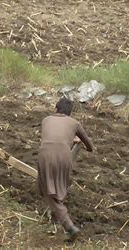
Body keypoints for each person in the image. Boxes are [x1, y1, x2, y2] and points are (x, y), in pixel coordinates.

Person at [37, 98, 94, 241]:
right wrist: (82, 144)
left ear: (56, 109)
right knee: (59, 188)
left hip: (45, 155)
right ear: (69, 113)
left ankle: (69, 226)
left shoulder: (46, 120)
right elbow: (89, 145)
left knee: (48, 191)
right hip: (65, 157)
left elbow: (51, 135)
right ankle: (57, 215)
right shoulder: (75, 123)